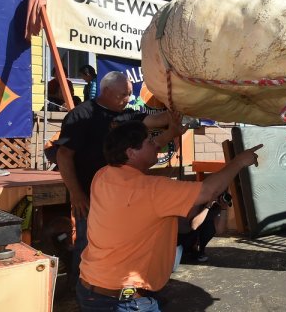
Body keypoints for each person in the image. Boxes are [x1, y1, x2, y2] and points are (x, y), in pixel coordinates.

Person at [76, 118, 262, 311]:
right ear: (130, 152)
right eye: (150, 142)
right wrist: (239, 161)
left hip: (92, 288)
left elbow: (145, 152)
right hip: (124, 302)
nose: (156, 145)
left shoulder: (103, 175)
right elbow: (209, 191)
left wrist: (171, 134)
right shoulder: (151, 190)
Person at [56, 71, 174, 289]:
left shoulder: (128, 116)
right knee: (87, 243)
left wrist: (181, 105)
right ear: (106, 91)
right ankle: (81, 291)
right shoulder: (82, 115)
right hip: (89, 197)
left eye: (129, 94)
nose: (128, 99)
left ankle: (119, 287)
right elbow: (63, 155)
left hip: (123, 196)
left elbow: (159, 120)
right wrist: (76, 193)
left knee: (123, 243)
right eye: (123, 95)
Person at [176, 193, 230, 264]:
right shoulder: (199, 200)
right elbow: (194, 225)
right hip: (181, 237)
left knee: (210, 226)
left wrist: (224, 208)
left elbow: (219, 230)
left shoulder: (216, 207)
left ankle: (199, 251)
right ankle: (190, 250)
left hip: (192, 238)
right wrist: (207, 206)